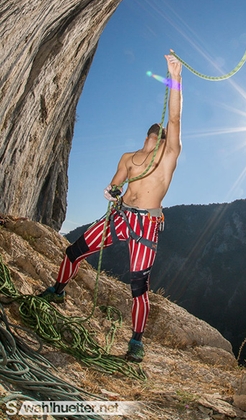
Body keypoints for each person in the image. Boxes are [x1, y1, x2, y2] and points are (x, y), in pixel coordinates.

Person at [38, 52, 182, 363]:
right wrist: (112, 189)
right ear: (148, 137)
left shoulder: (168, 157)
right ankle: (58, 290)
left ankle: (136, 341)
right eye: (153, 138)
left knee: (138, 286)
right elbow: (117, 180)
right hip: (120, 216)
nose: (155, 142)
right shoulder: (129, 158)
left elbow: (175, 118)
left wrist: (175, 77)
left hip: (146, 225)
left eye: (160, 140)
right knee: (74, 251)